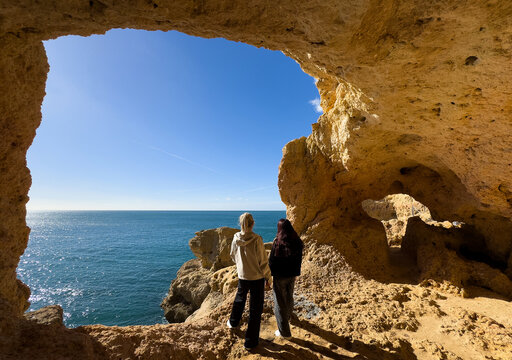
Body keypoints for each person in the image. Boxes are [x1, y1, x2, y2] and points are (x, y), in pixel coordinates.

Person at [227, 212, 272, 350]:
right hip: (257, 278)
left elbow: (232, 255)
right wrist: (268, 278)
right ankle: (250, 342)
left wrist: (241, 266)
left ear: (240, 224)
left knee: (239, 299)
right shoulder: (257, 239)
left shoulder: (235, 238)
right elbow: (263, 262)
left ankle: (233, 322)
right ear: (253, 224)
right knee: (255, 309)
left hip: (243, 276)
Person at [268, 218, 303, 338]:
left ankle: (284, 332)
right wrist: (296, 273)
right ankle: (288, 317)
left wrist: (268, 277)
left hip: (279, 277)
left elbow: (271, 262)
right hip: (292, 275)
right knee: (289, 297)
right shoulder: (297, 241)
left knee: (279, 303)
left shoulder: (277, 242)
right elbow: (299, 259)